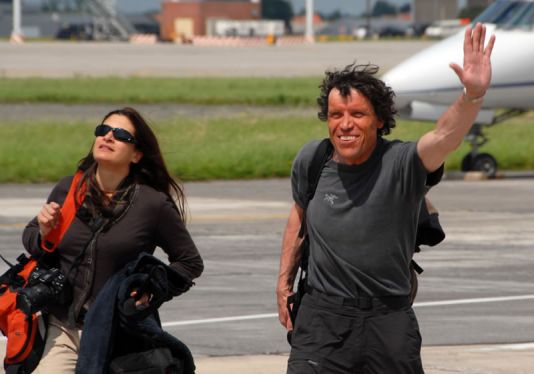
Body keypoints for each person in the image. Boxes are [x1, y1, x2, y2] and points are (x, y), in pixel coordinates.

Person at [276, 23, 495, 373]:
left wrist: (472, 96)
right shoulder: (312, 161)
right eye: (336, 115)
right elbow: (299, 217)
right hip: (322, 320)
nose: (345, 124)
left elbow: (443, 135)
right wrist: (284, 282)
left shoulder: (403, 163)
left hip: (388, 319)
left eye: (357, 114)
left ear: (379, 120)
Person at [22, 107, 204, 373]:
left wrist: (151, 289)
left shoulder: (153, 204)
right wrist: (44, 233)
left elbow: (189, 262)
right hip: (63, 328)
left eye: (120, 135)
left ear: (137, 154)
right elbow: (31, 239)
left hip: (119, 332)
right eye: (102, 130)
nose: (107, 137)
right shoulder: (69, 188)